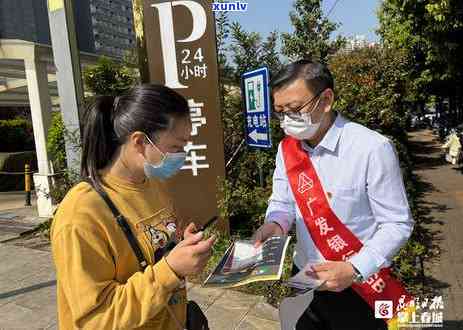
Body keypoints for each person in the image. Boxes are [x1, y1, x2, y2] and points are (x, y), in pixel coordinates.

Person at [253, 60, 414, 330]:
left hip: (358, 285)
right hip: (305, 276)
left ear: (326, 99)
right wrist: (275, 224)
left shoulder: (371, 148)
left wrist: (354, 268)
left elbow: (397, 223)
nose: (287, 120)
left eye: (294, 109)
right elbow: (282, 201)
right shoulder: (287, 150)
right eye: (280, 112)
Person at [51, 84, 215, 329]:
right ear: (139, 141)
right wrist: (170, 269)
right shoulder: (81, 215)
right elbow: (94, 319)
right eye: (176, 147)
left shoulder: (152, 184)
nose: (183, 155)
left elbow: (152, 250)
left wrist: (180, 245)